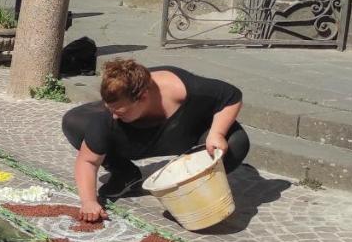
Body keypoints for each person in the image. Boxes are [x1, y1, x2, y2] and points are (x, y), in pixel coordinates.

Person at [62, 59, 251, 223]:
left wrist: (217, 133)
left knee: (237, 142)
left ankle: (193, 183)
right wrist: (89, 202)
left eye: (120, 112)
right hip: (138, 137)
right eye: (109, 109)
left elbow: (232, 95)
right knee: (76, 123)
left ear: (143, 97)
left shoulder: (185, 88)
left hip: (186, 132)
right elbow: (87, 161)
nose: (114, 116)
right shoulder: (108, 116)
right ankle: (126, 174)